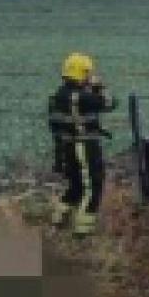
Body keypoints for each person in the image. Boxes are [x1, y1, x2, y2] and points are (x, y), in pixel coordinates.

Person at [47, 53, 117, 237]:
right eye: (87, 73)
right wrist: (99, 87)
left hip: (66, 147)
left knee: (75, 186)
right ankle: (81, 234)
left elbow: (55, 127)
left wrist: (58, 158)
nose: (89, 76)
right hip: (84, 147)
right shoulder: (81, 97)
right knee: (94, 187)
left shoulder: (56, 97)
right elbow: (110, 103)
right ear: (80, 72)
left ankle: (56, 223)